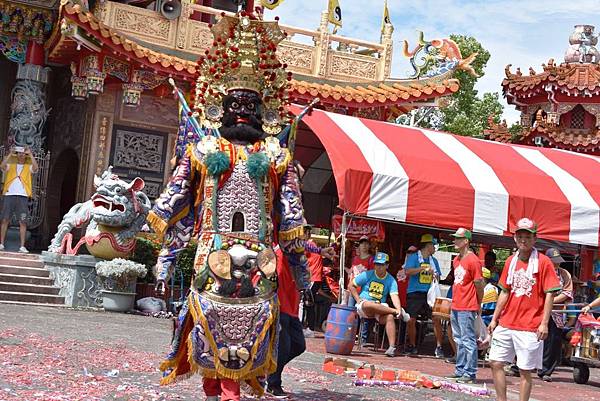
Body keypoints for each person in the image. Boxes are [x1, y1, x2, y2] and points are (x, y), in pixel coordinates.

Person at [149, 13, 313, 401]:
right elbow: (174, 201)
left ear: (266, 112)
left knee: (250, 331)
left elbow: (292, 217)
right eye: (234, 104)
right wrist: (166, 254)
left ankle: (229, 393)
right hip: (213, 257)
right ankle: (219, 393)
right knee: (211, 326)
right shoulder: (202, 151)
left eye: (250, 105)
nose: (242, 112)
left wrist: (300, 267)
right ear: (219, 109)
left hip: (259, 263)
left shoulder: (276, 156)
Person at [488, 218, 561, 401]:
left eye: (527, 236)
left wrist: (544, 323)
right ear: (515, 238)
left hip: (530, 326)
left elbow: (550, 294)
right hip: (507, 322)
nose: (523, 240)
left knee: (524, 370)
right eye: (520, 236)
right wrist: (495, 318)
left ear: (534, 238)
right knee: (495, 362)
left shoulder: (544, 262)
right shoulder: (510, 261)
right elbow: (505, 291)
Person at [349, 252, 409, 357]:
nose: (379, 267)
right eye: (377, 264)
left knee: (389, 317)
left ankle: (391, 347)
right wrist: (358, 299)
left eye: (381, 265)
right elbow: (351, 285)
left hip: (380, 307)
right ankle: (397, 312)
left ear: (387, 265)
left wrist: (398, 306)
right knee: (369, 304)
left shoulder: (391, 280)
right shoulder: (367, 274)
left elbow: (394, 296)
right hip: (365, 306)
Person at [447, 228, 484, 384]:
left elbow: (479, 283)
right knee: (459, 339)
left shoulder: (473, 260)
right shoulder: (457, 260)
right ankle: (461, 370)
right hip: (457, 304)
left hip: (467, 305)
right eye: (455, 238)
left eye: (458, 238)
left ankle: (469, 372)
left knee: (467, 339)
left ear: (466, 241)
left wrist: (478, 303)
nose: (455, 241)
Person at [403, 234, 443, 356]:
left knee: (436, 318)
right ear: (428, 245)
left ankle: (439, 347)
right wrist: (422, 269)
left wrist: (434, 274)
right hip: (414, 293)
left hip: (430, 294)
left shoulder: (434, 261)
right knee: (411, 319)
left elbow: (439, 276)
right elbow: (407, 271)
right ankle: (412, 345)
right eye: (433, 245)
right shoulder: (414, 257)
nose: (435, 248)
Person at [537, 248, 573, 382]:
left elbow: (567, 293)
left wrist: (550, 302)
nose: (556, 265)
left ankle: (546, 371)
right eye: (554, 262)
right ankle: (520, 367)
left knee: (552, 341)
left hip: (556, 312)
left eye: (558, 262)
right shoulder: (539, 272)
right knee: (533, 340)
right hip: (537, 311)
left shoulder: (564, 274)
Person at [0, 146, 38, 253]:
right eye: (19, 153)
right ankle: (1, 244)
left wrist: (30, 154)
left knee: (23, 220)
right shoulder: (11, 165)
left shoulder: (28, 167)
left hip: (22, 196)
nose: (21, 155)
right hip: (9, 194)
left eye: (23, 153)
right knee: (5, 219)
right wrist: (10, 153)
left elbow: (35, 168)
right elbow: (2, 166)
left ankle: (22, 246)